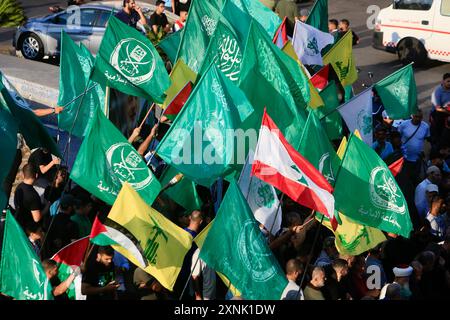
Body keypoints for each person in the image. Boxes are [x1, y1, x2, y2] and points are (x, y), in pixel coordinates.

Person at [398, 109, 431, 186]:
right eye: (416, 117)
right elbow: (397, 137)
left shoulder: (425, 127)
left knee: (415, 178)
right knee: (404, 178)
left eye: (420, 117)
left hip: (417, 159)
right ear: (412, 116)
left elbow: (427, 138)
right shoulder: (403, 125)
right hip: (404, 157)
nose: (418, 119)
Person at [13, 164, 43, 230]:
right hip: (28, 228)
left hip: (19, 221)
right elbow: (37, 219)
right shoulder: (33, 195)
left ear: (23, 175)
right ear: (36, 175)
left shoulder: (19, 187)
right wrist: (47, 207)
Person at [430, 73, 450, 145]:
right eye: (448, 81)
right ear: (443, 81)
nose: (449, 83)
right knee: (438, 134)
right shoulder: (437, 92)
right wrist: (448, 112)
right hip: (438, 114)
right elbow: (438, 108)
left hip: (447, 111)